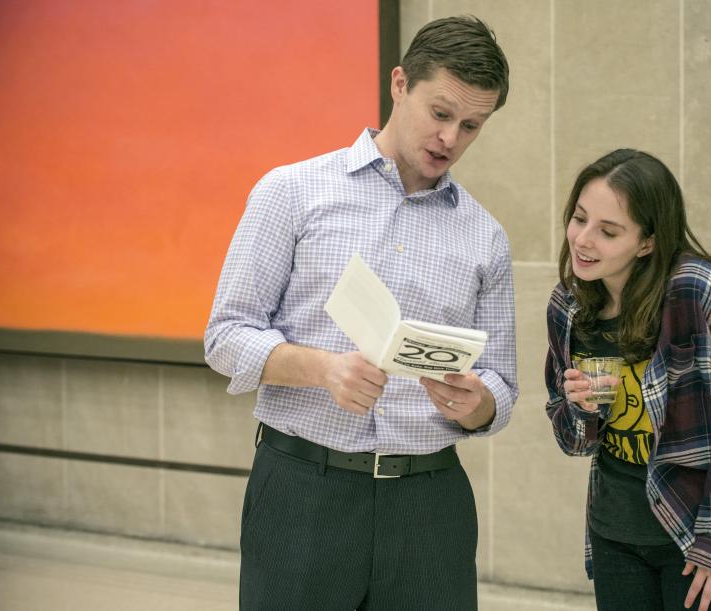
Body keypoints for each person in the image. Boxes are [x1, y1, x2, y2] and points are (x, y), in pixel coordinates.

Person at [204, 15, 517, 611]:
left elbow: (502, 383)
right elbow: (225, 337)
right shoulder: (290, 192)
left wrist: (479, 406)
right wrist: (322, 369)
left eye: (471, 126)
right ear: (399, 84)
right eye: (440, 113)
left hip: (430, 503)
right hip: (303, 491)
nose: (450, 138)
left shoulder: (486, 238)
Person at [544, 149, 711, 611]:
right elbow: (574, 443)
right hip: (613, 533)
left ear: (647, 242)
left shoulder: (700, 293)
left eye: (608, 231)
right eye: (579, 219)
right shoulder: (569, 306)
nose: (583, 240)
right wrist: (579, 410)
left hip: (698, 532)